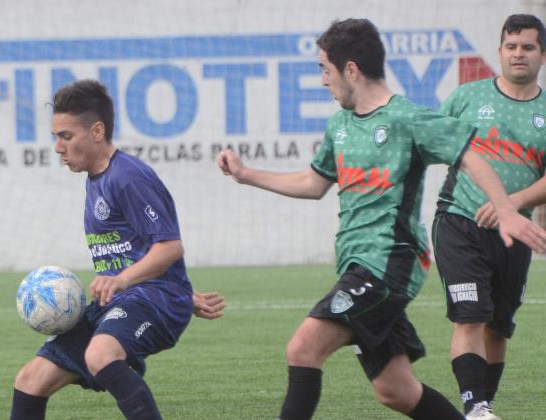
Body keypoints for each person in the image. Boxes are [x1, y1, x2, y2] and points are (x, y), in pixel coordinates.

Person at [217, 19, 546, 420]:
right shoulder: (340, 125)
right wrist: (247, 174)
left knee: (303, 348)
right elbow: (313, 182)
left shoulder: (406, 117)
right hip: (357, 264)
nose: (323, 80)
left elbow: (469, 154)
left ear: (350, 69)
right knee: (396, 391)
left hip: (390, 260)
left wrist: (508, 211)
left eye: (325, 69)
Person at [9, 79, 225, 420]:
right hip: (131, 297)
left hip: (152, 300)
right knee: (30, 380)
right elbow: (139, 248)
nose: (58, 147)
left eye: (66, 136)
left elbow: (170, 246)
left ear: (96, 131)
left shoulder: (129, 176)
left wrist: (150, 285)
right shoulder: (97, 178)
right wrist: (185, 289)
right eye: (55, 137)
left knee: (101, 355)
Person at [432, 14, 546, 420]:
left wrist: (508, 205)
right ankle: (475, 407)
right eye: (511, 46)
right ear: (499, 51)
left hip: (515, 233)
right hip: (459, 221)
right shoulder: (466, 97)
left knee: (498, 329)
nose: (518, 54)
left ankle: (483, 408)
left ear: (542, 55)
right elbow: (430, 143)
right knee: (471, 316)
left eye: (528, 47)